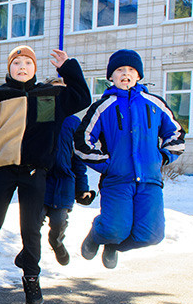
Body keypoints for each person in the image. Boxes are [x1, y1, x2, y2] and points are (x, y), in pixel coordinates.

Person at [0, 45, 91, 304]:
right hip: (4, 169)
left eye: (28, 63)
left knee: (31, 228)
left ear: (35, 68)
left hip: (35, 171)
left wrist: (68, 68)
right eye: (17, 63)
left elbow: (82, 98)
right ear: (9, 68)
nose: (22, 67)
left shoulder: (49, 94)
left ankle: (31, 278)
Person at [74, 49, 186, 268]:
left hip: (150, 181)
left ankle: (114, 246)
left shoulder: (154, 103)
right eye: (119, 70)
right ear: (111, 76)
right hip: (117, 180)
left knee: (151, 235)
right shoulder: (103, 106)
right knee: (113, 229)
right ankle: (97, 235)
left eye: (131, 69)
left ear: (138, 75)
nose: (125, 73)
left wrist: (162, 158)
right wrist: (108, 165)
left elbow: (176, 135)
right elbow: (82, 142)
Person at [43, 113, 94, 266]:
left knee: (58, 222)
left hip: (64, 183)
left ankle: (56, 242)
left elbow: (79, 160)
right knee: (33, 222)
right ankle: (28, 252)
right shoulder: (41, 115)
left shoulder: (73, 122)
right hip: (41, 179)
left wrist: (82, 188)